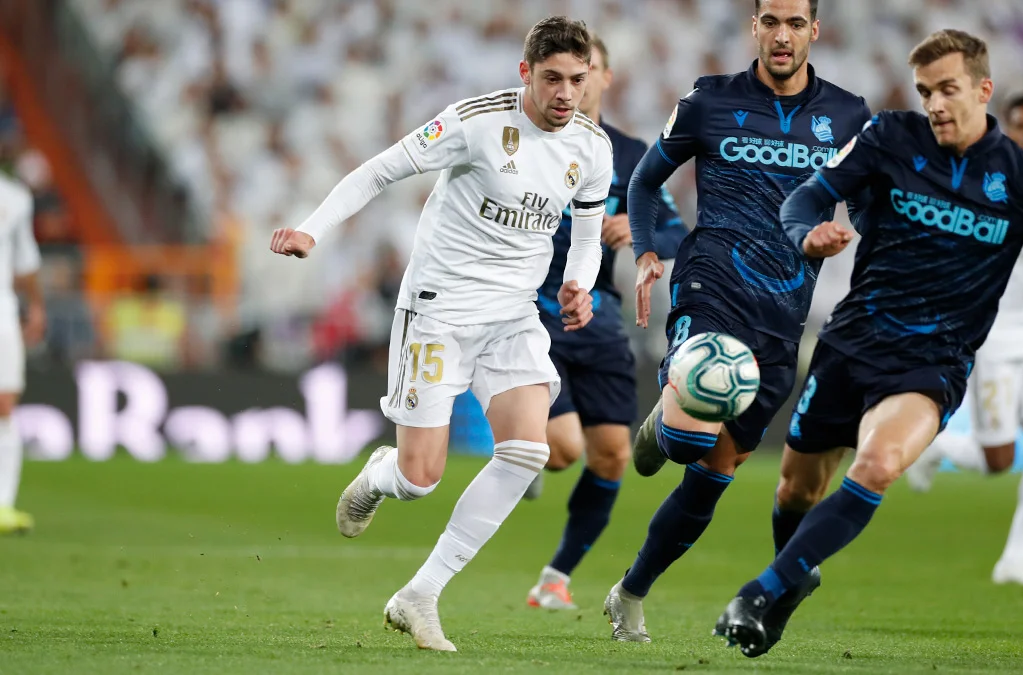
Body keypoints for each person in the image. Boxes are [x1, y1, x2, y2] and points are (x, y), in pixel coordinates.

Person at [715, 29, 1023, 658]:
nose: (934, 104)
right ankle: (793, 577)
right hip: (850, 345)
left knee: (877, 465)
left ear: (983, 90)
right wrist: (806, 235)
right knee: (794, 491)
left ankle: (760, 592)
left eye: (948, 89)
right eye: (926, 91)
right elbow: (807, 197)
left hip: (932, 363)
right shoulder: (888, 137)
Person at [269, 16, 612, 652]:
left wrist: (579, 284)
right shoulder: (475, 122)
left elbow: (588, 235)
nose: (566, 93)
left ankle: (419, 594)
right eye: (552, 79)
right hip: (438, 311)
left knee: (527, 452)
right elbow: (378, 172)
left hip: (513, 316)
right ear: (525, 73)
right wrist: (312, 230)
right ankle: (382, 475)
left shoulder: (591, 147)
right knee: (420, 478)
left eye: (577, 79)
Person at [602, 0, 871, 642]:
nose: (782, 35)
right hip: (711, 284)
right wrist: (646, 252)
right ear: (754, 27)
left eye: (795, 23)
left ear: (814, 30)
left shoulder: (848, 115)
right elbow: (644, 182)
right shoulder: (709, 101)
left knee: (712, 478)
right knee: (691, 439)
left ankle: (630, 591)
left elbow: (869, 205)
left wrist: (857, 240)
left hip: (784, 314)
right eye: (770, 21)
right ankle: (669, 425)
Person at [523, 35, 688, 611]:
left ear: (605, 77)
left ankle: (555, 577)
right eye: (563, 73)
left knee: (614, 455)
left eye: (587, 70)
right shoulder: (530, 139)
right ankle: (520, 446)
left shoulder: (632, 154)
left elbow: (675, 231)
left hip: (599, 314)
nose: (577, 82)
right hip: (530, 307)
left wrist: (637, 230)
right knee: (563, 449)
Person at [906, 93, 1023, 588]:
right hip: (993, 340)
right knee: (999, 460)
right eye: (1021, 125)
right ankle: (938, 449)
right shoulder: (981, 188)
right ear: (1006, 132)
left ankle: (1016, 557)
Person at [0, 170, 42, 535]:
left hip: (2, 308)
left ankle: (3, 504)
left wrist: (37, 306)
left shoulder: (14, 197)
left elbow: (25, 261)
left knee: (4, 404)